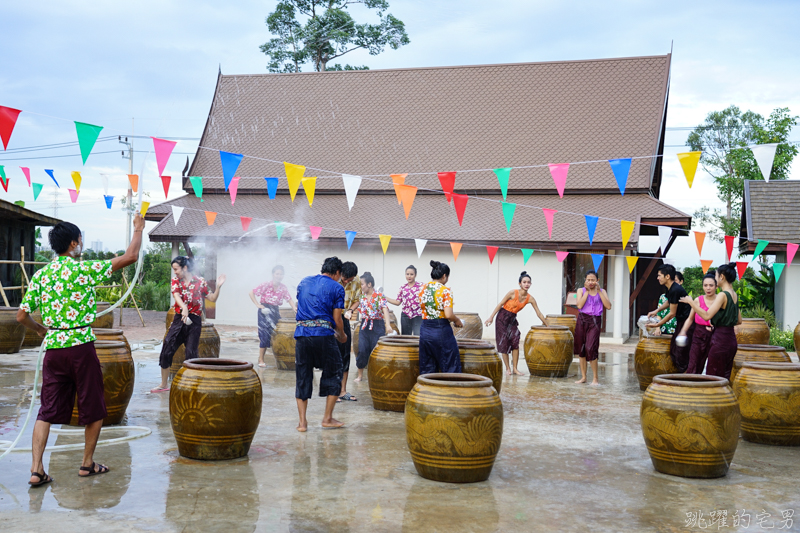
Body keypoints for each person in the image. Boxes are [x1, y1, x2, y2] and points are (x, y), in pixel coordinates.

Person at [16, 215, 145, 486]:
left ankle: (36, 470)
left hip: (54, 350)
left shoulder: (42, 275)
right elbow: (131, 256)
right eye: (80, 240)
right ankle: (87, 464)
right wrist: (138, 229)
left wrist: (40, 329)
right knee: (94, 407)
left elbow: (20, 316)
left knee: (46, 410)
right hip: (80, 348)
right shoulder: (84, 270)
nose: (82, 244)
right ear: (73, 243)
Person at [151, 257, 226, 392]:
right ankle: (163, 385)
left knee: (191, 352)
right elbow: (176, 296)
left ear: (185, 268)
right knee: (167, 347)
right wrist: (184, 307)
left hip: (194, 321)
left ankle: (192, 385)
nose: (175, 272)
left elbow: (213, 298)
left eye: (176, 269)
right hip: (179, 318)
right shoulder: (176, 281)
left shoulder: (200, 282)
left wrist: (219, 286)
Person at [294, 256, 348, 431]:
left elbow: (301, 305)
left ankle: (302, 423)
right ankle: (327, 418)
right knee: (334, 370)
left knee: (303, 374)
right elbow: (337, 319)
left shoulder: (304, 282)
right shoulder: (337, 287)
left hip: (302, 334)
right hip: (323, 335)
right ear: (338, 272)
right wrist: (342, 335)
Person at [680, 263, 741, 380]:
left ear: (722, 277)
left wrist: (691, 302)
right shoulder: (734, 294)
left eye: (717, 276)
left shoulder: (723, 295)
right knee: (725, 375)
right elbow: (739, 320)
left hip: (720, 340)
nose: (716, 278)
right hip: (731, 340)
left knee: (713, 375)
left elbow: (707, 316)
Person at [484, 271, 548, 376]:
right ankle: (508, 368)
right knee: (504, 344)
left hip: (512, 319)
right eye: (524, 282)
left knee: (515, 342)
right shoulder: (512, 293)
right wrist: (491, 317)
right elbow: (500, 304)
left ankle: (515, 369)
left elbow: (539, 313)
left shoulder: (530, 298)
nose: (526, 284)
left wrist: (547, 325)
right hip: (502, 318)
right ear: (520, 284)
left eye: (528, 282)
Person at [418, 260, 464, 374]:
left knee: (427, 366)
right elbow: (448, 315)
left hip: (425, 330)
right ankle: (450, 390)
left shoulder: (422, 288)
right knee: (450, 364)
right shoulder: (445, 291)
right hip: (441, 331)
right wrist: (457, 320)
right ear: (444, 276)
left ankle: (428, 391)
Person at [647, 264, 692, 373]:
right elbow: (669, 302)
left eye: (659, 275)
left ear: (667, 276)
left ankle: (685, 375)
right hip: (682, 322)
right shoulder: (671, 288)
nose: (657, 278)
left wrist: (658, 324)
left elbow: (672, 313)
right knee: (675, 349)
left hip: (687, 323)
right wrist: (657, 311)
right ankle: (681, 374)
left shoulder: (675, 289)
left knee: (681, 351)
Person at [249, 265, 296, 368]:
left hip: (275, 311)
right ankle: (261, 358)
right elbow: (251, 292)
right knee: (264, 335)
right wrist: (257, 304)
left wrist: (294, 308)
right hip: (264, 310)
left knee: (275, 334)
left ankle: (279, 357)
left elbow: (289, 299)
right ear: (273, 274)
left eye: (281, 274)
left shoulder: (283, 287)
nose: (279, 276)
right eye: (277, 274)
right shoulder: (266, 284)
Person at [352, 272, 394, 382]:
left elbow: (385, 309)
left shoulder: (379, 296)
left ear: (369, 284)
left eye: (362, 284)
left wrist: (387, 325)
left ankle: (375, 375)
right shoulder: (361, 296)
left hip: (377, 325)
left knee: (375, 352)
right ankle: (360, 375)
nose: (361, 287)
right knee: (362, 349)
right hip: (364, 325)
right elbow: (356, 305)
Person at [573, 270, 612, 385]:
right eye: (588, 280)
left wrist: (598, 291)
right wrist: (587, 292)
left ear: (597, 281)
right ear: (585, 281)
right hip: (582, 320)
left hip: (595, 321)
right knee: (582, 349)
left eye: (593, 280)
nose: (590, 282)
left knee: (591, 348)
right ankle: (584, 377)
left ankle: (595, 378)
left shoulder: (602, 291)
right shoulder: (581, 290)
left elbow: (608, 306)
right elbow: (579, 305)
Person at [677, 272, 717, 374]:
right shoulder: (698, 300)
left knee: (713, 364)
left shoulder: (720, 300)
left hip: (715, 336)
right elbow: (690, 318)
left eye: (711, 285)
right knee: (694, 363)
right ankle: (691, 386)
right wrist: (683, 331)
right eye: (705, 285)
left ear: (716, 286)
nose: (708, 288)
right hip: (698, 335)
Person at [338, 261, 360, 401]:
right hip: (331, 319)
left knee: (345, 354)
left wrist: (351, 310)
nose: (346, 282)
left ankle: (343, 391)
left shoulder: (356, 280)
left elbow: (357, 299)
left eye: (349, 280)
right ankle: (333, 391)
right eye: (345, 279)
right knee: (333, 356)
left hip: (344, 317)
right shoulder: (334, 280)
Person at [385, 265, 424, 335]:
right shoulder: (403, 287)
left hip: (418, 315)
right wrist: (385, 298)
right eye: (407, 274)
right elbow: (398, 302)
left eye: (411, 274)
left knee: (418, 336)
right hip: (405, 316)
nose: (409, 276)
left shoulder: (421, 286)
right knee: (405, 337)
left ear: (415, 275)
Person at [650, 270, 683, 335]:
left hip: (679, 329)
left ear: (681, 281)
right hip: (664, 328)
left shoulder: (681, 295)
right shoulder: (664, 296)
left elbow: (672, 314)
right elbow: (659, 315)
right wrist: (657, 328)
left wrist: (657, 324)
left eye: (675, 280)